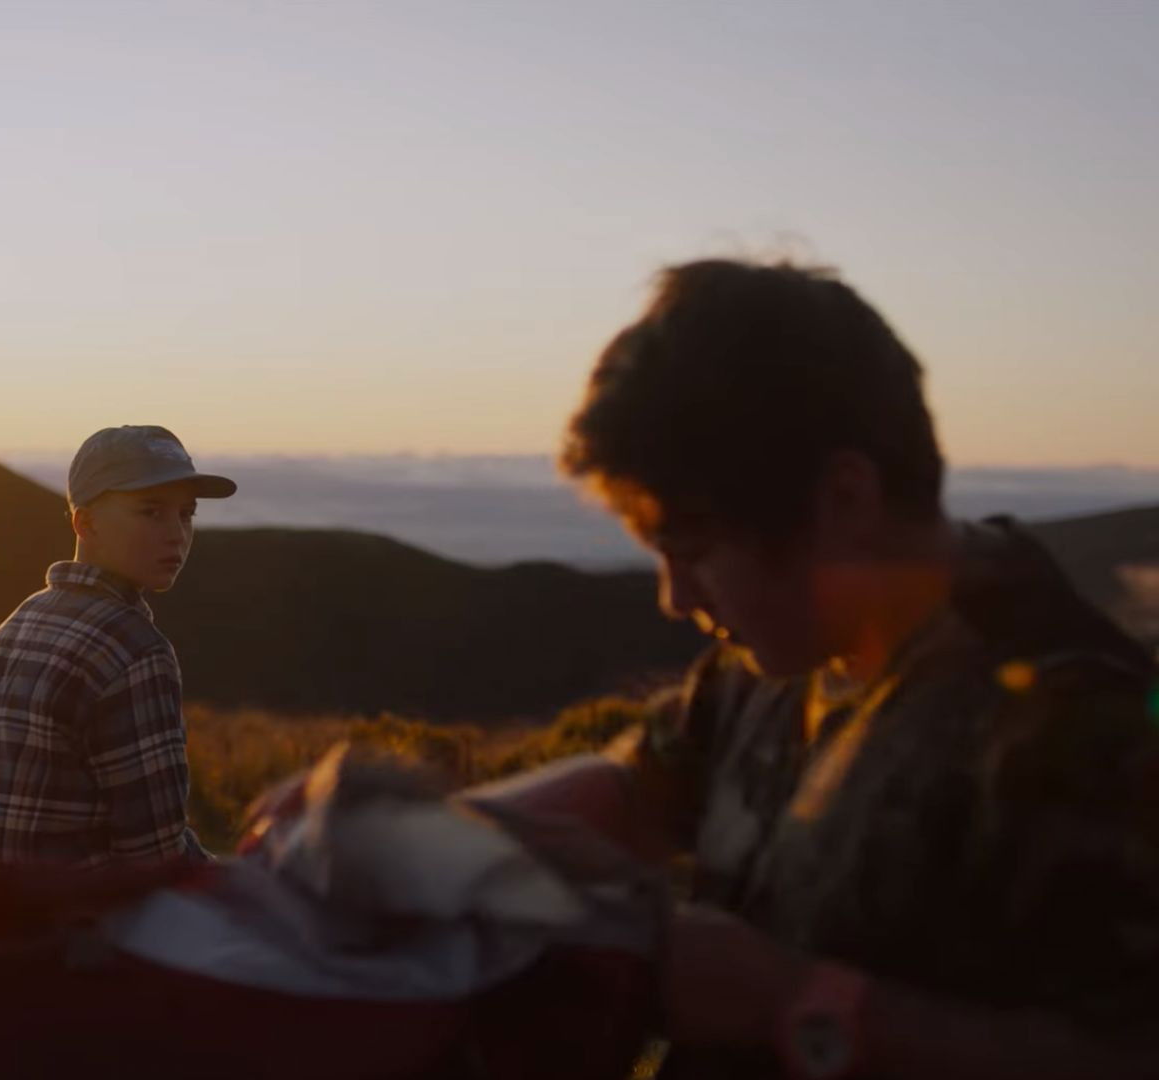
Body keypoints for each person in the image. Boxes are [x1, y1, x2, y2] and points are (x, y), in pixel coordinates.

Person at [480, 258, 1159, 1079]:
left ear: (844, 499)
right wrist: (425, 835)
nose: (673, 597)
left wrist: (800, 1002)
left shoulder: (1081, 726)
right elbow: (640, 787)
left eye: (693, 549)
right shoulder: (769, 664)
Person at [0, 424, 235, 867]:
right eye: (151, 512)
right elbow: (157, 856)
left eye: (186, 514)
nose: (176, 534)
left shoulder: (20, 624)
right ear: (85, 522)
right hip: (71, 907)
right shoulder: (135, 651)